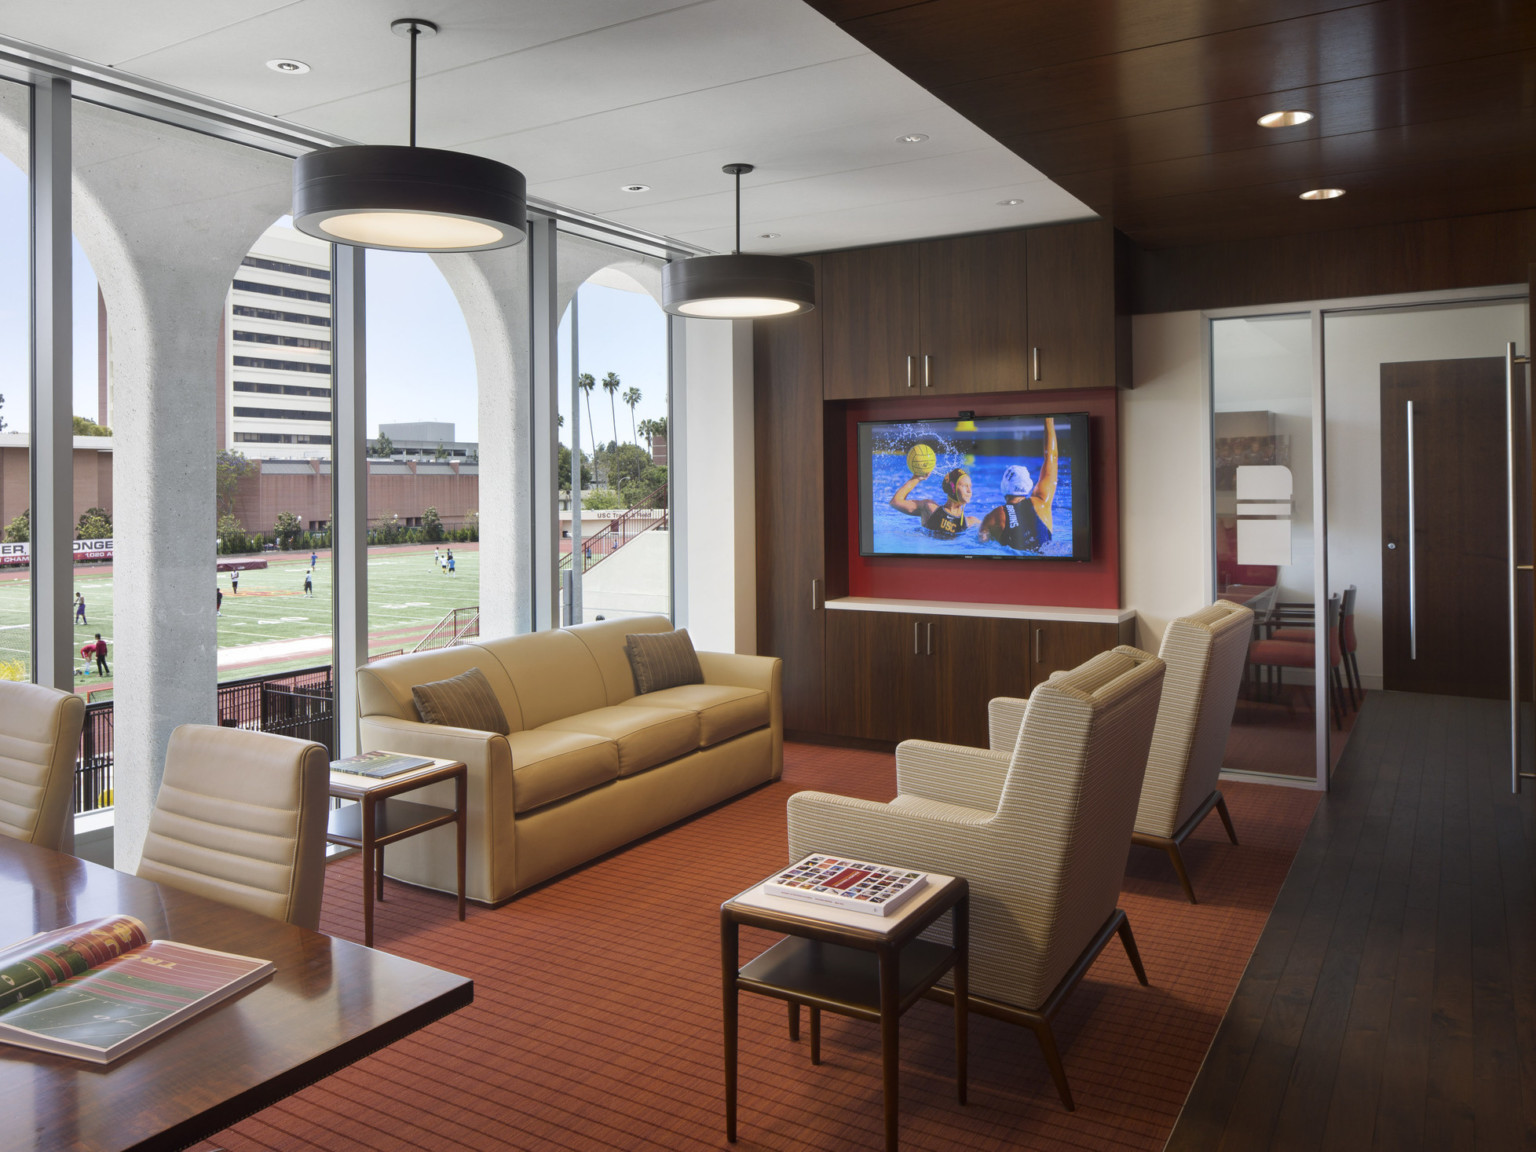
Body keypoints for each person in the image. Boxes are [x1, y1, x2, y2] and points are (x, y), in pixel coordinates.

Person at [979, 417, 1059, 553]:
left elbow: (979, 548)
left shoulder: (993, 517)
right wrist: (1049, 419)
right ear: (1028, 485)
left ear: (1003, 487)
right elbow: (1051, 456)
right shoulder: (1042, 502)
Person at [889, 464, 979, 537]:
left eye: (970, 486)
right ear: (953, 488)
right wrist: (916, 478)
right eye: (964, 486)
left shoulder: (971, 522)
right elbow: (895, 502)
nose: (969, 491)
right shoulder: (929, 508)